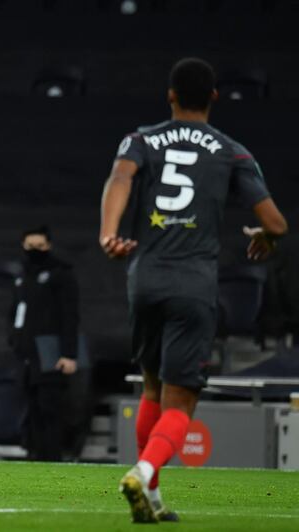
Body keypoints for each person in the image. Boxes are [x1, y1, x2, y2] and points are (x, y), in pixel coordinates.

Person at [100, 57, 288, 523]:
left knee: (151, 386)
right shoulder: (231, 150)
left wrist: (108, 233)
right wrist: (266, 237)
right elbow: (276, 222)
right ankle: (144, 473)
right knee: (181, 402)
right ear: (215, 99)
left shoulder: (141, 138)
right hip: (192, 284)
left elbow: (120, 176)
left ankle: (154, 498)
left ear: (170, 96)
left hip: (143, 279)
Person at [10, 226, 79, 462]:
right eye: (30, 247)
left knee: (51, 409)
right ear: (23, 246)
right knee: (32, 409)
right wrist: (14, 339)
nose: (34, 251)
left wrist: (69, 354)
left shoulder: (61, 273)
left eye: (39, 247)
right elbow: (16, 311)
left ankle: (53, 460)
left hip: (51, 353)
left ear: (48, 245)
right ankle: (34, 458)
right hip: (26, 355)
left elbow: (71, 316)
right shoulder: (22, 275)